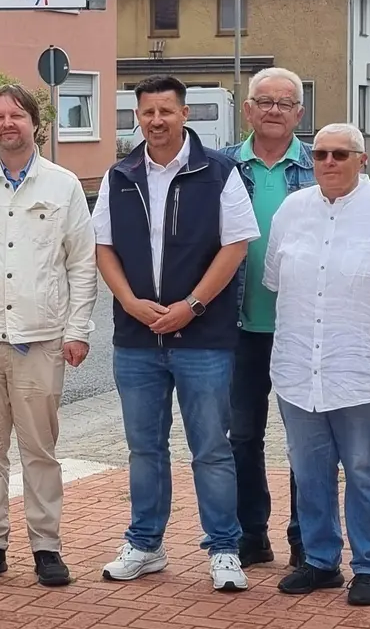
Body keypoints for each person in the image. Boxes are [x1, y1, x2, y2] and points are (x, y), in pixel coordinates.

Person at [91, 74, 260, 593]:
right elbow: (104, 247)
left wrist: (193, 305)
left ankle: (224, 549)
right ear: (137, 117)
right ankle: (146, 544)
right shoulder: (119, 175)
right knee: (144, 449)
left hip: (203, 338)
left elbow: (236, 247)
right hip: (137, 339)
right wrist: (127, 301)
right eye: (147, 113)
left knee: (210, 448)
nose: (156, 121)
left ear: (184, 114)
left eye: (166, 111)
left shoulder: (220, 173)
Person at [262, 123, 370, 607]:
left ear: (362, 159)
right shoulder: (292, 211)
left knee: (365, 469)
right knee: (309, 469)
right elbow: (278, 281)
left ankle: (369, 568)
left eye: (341, 153)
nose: (329, 162)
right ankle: (320, 562)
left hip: (366, 370)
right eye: (320, 153)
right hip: (300, 368)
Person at [0, 83, 97, 588]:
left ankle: (46, 546)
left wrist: (78, 329)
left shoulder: (63, 185)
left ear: (35, 124)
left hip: (43, 338)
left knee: (39, 449)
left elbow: (82, 262)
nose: (8, 124)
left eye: (17, 115)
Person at [217, 67, 316, 570]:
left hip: (305, 331)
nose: (274, 110)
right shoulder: (221, 169)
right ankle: (251, 534)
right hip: (238, 329)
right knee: (242, 436)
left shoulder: (323, 166)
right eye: (265, 101)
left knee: (309, 440)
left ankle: (307, 540)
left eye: (285, 103)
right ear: (248, 108)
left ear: (300, 113)